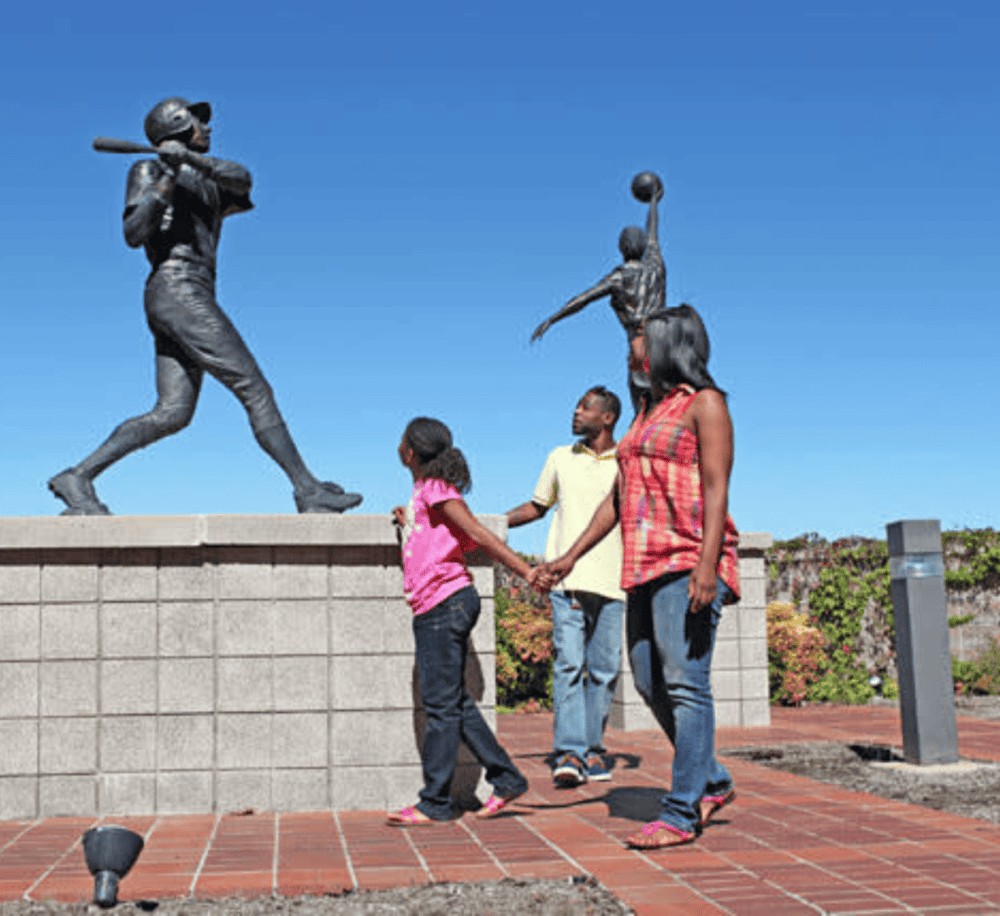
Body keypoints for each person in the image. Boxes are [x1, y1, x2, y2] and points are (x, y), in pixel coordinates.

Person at [48, 96, 361, 515]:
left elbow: (244, 181)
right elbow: (134, 232)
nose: (208, 128)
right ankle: (307, 489)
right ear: (178, 126)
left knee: (172, 413)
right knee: (254, 388)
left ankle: (79, 476)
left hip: (188, 294)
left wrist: (190, 165)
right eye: (199, 121)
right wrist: (166, 179)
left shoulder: (208, 177)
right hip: (177, 288)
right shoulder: (149, 169)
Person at [538, 305, 740, 850]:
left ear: (668, 345)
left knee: (686, 683)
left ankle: (680, 812)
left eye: (641, 340)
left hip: (686, 561)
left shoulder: (706, 405)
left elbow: (718, 488)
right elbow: (621, 497)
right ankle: (713, 778)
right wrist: (570, 557)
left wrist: (706, 564)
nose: (633, 350)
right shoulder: (646, 411)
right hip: (642, 564)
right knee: (650, 681)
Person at [387, 417, 532, 825]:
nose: (398, 446)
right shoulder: (425, 493)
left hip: (443, 604)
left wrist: (526, 571)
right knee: (453, 702)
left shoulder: (434, 490)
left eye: (402, 441)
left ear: (411, 452)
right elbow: (451, 539)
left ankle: (434, 802)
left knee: (440, 708)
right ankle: (506, 778)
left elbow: (478, 535)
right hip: (444, 602)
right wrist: (410, 522)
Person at [506, 386, 625, 787]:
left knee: (605, 672)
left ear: (607, 417)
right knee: (570, 665)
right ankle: (570, 752)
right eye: (576, 404)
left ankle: (592, 750)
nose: (576, 411)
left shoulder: (626, 461)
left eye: (585, 406)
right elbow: (537, 508)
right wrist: (488, 524)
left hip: (615, 584)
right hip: (566, 581)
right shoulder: (559, 457)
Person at [531, 178, 664, 413]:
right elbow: (653, 230)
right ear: (644, 247)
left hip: (641, 345)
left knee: (644, 410)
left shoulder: (619, 277)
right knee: (665, 405)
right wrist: (653, 200)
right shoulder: (655, 265)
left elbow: (583, 299)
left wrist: (553, 318)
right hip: (665, 344)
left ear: (621, 248)